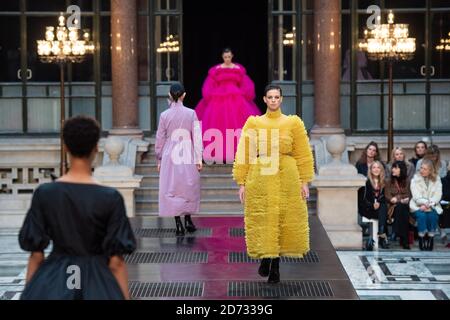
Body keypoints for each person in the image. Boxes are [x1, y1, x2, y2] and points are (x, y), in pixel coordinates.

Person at [18, 116, 136, 300]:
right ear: (96, 148)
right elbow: (116, 263)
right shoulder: (110, 198)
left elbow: (36, 255)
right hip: (97, 283)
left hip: (54, 280)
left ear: (65, 147)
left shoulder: (45, 194)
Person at [232, 84, 314, 284]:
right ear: (264, 99)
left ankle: (274, 265)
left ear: (281, 99)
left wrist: (305, 181)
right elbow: (245, 153)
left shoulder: (293, 123)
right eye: (270, 97)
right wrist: (241, 182)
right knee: (264, 217)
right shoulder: (254, 123)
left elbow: (303, 153)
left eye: (277, 97)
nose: (274, 100)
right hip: (261, 174)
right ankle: (266, 257)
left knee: (282, 219)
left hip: (287, 174)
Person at [195, 48, 261, 163]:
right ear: (222, 57)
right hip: (218, 98)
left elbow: (245, 83)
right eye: (225, 57)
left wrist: (246, 93)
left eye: (229, 57)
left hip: (237, 98)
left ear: (232, 56)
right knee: (217, 122)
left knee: (238, 123)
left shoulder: (238, 69)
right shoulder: (216, 69)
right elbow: (210, 84)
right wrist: (209, 94)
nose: (227, 59)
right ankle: (217, 151)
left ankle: (239, 151)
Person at [155, 83, 203, 236]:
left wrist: (159, 158)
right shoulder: (191, 113)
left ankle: (178, 223)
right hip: (187, 151)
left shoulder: (164, 115)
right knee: (188, 185)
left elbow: (160, 138)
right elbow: (197, 136)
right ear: (184, 95)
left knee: (172, 187)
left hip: (170, 153)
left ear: (170, 95)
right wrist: (198, 158)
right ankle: (188, 219)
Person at [410, 159, 443, 251]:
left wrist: (429, 205)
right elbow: (416, 196)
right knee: (422, 215)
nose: (422, 170)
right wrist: (424, 204)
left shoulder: (437, 179)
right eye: (421, 168)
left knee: (432, 215)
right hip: (418, 205)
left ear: (430, 170)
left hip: (432, 205)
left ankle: (430, 237)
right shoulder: (415, 180)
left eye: (425, 169)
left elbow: (438, 195)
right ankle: (421, 237)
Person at [358, 161, 389, 249]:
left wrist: (378, 203)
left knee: (382, 206)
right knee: (382, 209)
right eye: (374, 167)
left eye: (378, 167)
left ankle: (381, 232)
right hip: (368, 209)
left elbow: (385, 197)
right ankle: (382, 235)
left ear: (381, 170)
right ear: (370, 170)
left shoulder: (384, 183)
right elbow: (362, 200)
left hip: (380, 210)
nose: (376, 169)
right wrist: (372, 205)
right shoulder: (366, 182)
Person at [385, 161, 412, 249]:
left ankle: (395, 231)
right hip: (392, 208)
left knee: (402, 207)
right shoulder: (388, 181)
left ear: (402, 169)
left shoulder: (407, 181)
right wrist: (398, 199)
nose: (393, 169)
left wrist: (398, 198)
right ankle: (404, 240)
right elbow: (387, 195)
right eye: (393, 167)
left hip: (404, 207)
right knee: (401, 207)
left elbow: (409, 195)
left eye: (396, 168)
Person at [440, 163, 450, 248]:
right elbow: (445, 194)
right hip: (446, 203)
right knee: (445, 208)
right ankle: (444, 234)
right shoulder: (443, 180)